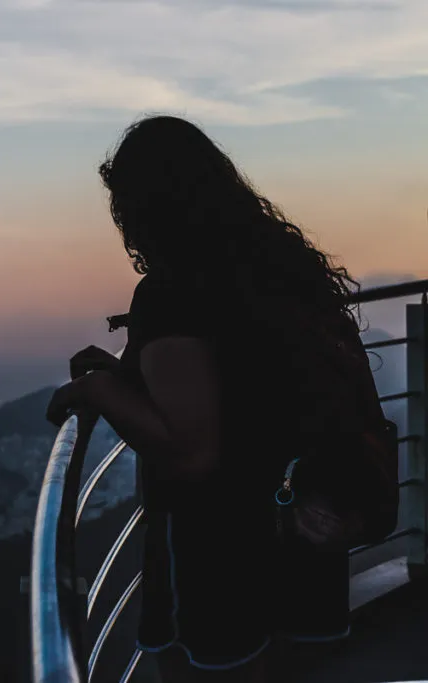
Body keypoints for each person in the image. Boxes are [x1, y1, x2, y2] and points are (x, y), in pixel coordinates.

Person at [46, 116, 381, 682]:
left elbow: (192, 450)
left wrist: (98, 390)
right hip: (302, 535)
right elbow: (242, 386)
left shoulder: (173, 292)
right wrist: (129, 377)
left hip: (219, 556)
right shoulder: (281, 276)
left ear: (141, 207)